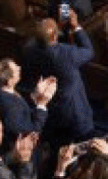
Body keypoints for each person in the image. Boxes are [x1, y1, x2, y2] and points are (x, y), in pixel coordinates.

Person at [21, 15, 95, 143]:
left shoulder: (28, 50)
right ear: (55, 36)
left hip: (50, 109)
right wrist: (76, 26)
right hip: (74, 112)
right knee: (85, 144)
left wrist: (54, 30)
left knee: (58, 145)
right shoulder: (67, 53)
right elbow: (89, 51)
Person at [0, 59, 56, 152]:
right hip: (16, 150)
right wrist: (42, 104)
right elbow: (31, 132)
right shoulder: (11, 109)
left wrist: (35, 95)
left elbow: (21, 108)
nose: (19, 67)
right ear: (9, 81)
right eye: (16, 69)